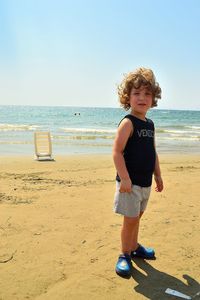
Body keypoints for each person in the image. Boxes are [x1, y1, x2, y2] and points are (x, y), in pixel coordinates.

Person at [112, 67, 164, 277]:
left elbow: (152, 151)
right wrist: (124, 177)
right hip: (130, 184)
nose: (142, 98)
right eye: (136, 93)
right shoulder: (128, 122)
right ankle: (124, 254)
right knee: (130, 220)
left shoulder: (150, 124)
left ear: (153, 98)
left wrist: (158, 174)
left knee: (137, 217)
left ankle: (134, 247)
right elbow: (116, 152)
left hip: (145, 183)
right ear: (128, 97)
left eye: (147, 93)